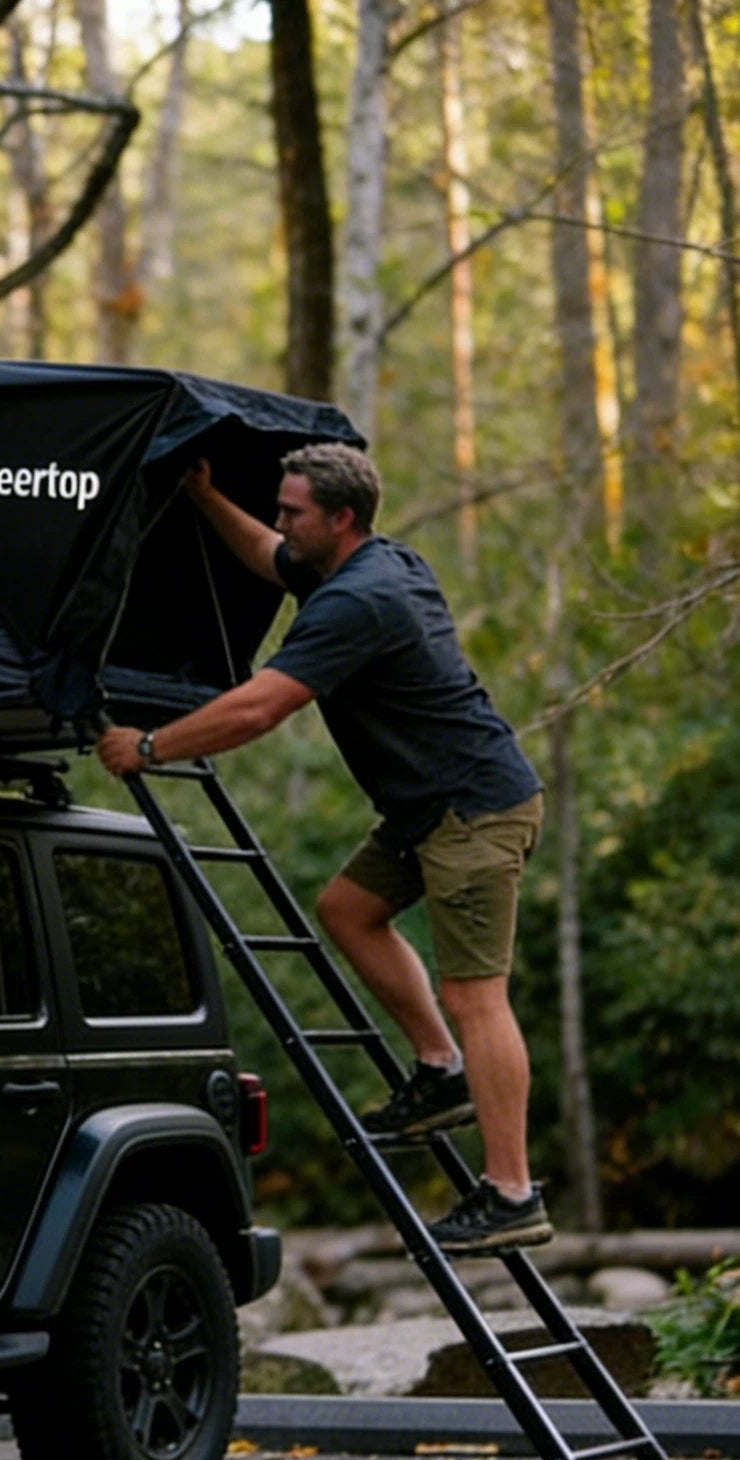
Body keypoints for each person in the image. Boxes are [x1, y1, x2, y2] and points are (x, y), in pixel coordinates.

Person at [95, 443, 550, 1255]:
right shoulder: (364, 563)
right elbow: (269, 557)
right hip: (433, 807)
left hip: (471, 811)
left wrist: (152, 745)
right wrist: (203, 495)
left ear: (339, 519)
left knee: (477, 994)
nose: (279, 521)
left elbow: (258, 710)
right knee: (347, 910)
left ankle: (511, 1192)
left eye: (293, 509)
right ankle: (439, 1071)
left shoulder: (361, 601)